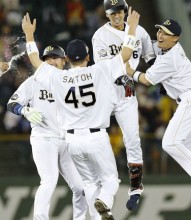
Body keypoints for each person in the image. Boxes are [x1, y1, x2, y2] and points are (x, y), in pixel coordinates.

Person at [21, 8, 140, 220]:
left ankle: (96, 216)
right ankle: (105, 201)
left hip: (72, 141)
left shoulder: (58, 77)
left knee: (89, 183)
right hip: (96, 137)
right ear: (88, 57)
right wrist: (130, 28)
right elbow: (125, 55)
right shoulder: (98, 70)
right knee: (110, 180)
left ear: (66, 58)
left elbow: (34, 60)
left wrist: (29, 35)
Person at [126, 18, 191, 216]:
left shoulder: (171, 57)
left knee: (169, 143)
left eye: (165, 33)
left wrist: (129, 72)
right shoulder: (168, 48)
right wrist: (132, 29)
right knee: (188, 151)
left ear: (175, 38)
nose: (160, 35)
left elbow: (147, 79)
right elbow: (147, 44)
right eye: (159, 30)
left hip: (190, 102)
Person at [7, 45, 88, 220]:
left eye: (55, 57)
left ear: (64, 60)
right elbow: (12, 103)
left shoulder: (71, 80)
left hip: (67, 140)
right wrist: (24, 111)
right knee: (49, 181)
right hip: (44, 138)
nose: (51, 61)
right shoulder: (34, 81)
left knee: (81, 188)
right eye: (47, 58)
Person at [92, 0, 156, 211]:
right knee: (93, 134)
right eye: (112, 13)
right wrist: (123, 73)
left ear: (125, 11)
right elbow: (103, 69)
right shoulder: (100, 36)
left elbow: (150, 57)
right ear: (106, 15)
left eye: (119, 11)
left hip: (127, 92)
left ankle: (136, 188)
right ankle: (99, 182)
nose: (116, 16)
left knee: (132, 139)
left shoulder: (140, 31)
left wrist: (156, 77)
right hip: (105, 91)